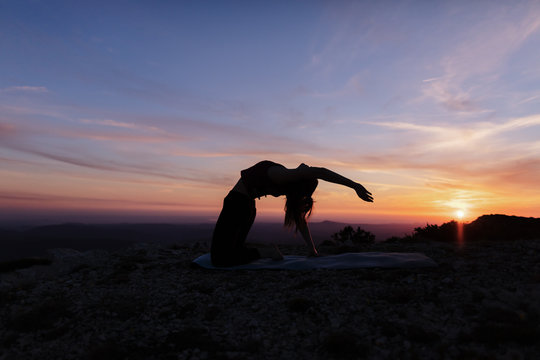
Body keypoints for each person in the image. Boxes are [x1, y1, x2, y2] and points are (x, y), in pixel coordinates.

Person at [211, 160, 373, 267]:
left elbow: (300, 219)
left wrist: (312, 250)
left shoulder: (288, 183)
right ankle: (264, 251)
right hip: (242, 205)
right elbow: (322, 172)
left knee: (220, 259)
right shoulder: (283, 175)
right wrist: (354, 185)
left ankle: (266, 252)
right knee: (231, 253)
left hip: (240, 204)